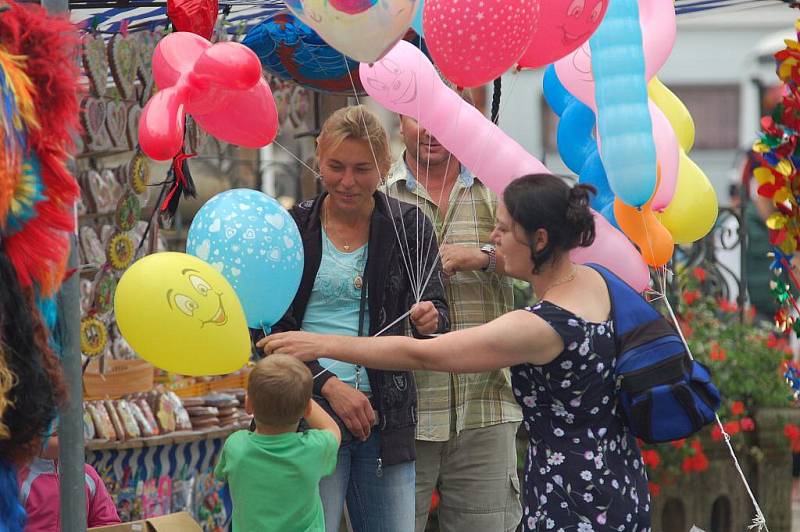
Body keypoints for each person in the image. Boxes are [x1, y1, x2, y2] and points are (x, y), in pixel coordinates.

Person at [260, 174, 653, 531]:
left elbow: (425, 355)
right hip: (618, 480)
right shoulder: (596, 281)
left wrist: (321, 344)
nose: (492, 240)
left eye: (503, 229)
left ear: (540, 240)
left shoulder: (540, 326)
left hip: (573, 498)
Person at [254, 105, 450, 531]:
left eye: (362, 168)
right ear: (318, 156)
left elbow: (439, 316)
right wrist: (328, 385)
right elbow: (267, 330)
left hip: (385, 418)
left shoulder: (410, 226)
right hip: (302, 414)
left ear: (385, 166)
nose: (347, 181)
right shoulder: (292, 227)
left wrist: (429, 319)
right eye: (336, 166)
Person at [382, 94, 522, 531]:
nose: (429, 131)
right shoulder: (379, 194)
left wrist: (482, 256)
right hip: (403, 411)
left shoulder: (500, 186)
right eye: (417, 117)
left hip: (487, 404)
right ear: (399, 122)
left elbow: (544, 265)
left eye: (441, 119)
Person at [215, 355, 340, 531]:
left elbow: (220, 474)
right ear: (307, 409)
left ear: (248, 404)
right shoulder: (313, 448)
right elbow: (333, 430)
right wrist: (302, 399)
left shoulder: (236, 446)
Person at [17, 433, 120, 531]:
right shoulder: (16, 480)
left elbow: (108, 524)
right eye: (48, 421)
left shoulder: (86, 475)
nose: (56, 424)